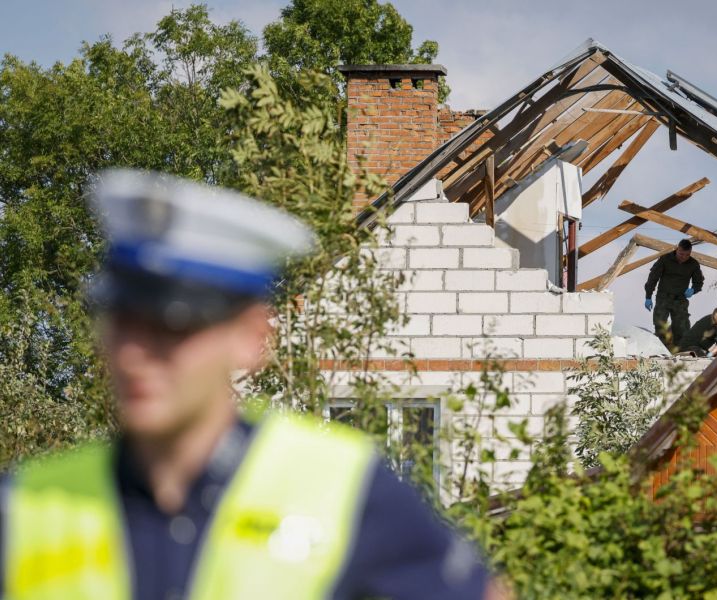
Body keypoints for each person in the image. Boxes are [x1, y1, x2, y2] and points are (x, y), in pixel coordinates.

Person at [0, 170, 504, 600]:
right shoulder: (23, 504)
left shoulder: (347, 489)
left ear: (251, 338)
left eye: (172, 327)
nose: (134, 354)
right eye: (123, 322)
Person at [644, 239, 705, 350]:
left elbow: (699, 282)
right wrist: (648, 296)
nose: (684, 257)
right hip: (663, 298)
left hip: (680, 300)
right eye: (681, 254)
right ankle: (661, 350)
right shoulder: (665, 259)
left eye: (687, 255)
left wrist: (693, 290)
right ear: (677, 249)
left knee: (682, 329)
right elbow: (653, 278)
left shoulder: (693, 264)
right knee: (660, 325)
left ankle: (680, 352)